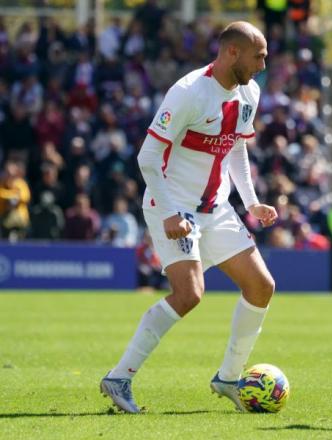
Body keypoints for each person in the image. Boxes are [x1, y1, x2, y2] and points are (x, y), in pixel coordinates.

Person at [100, 22, 278, 415]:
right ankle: (119, 377)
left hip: (216, 208)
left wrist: (251, 202)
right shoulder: (188, 93)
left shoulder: (250, 91)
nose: (264, 64)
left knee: (262, 287)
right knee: (189, 294)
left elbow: (235, 149)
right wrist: (167, 213)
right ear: (232, 52)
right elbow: (147, 157)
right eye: (259, 55)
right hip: (174, 205)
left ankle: (229, 378)